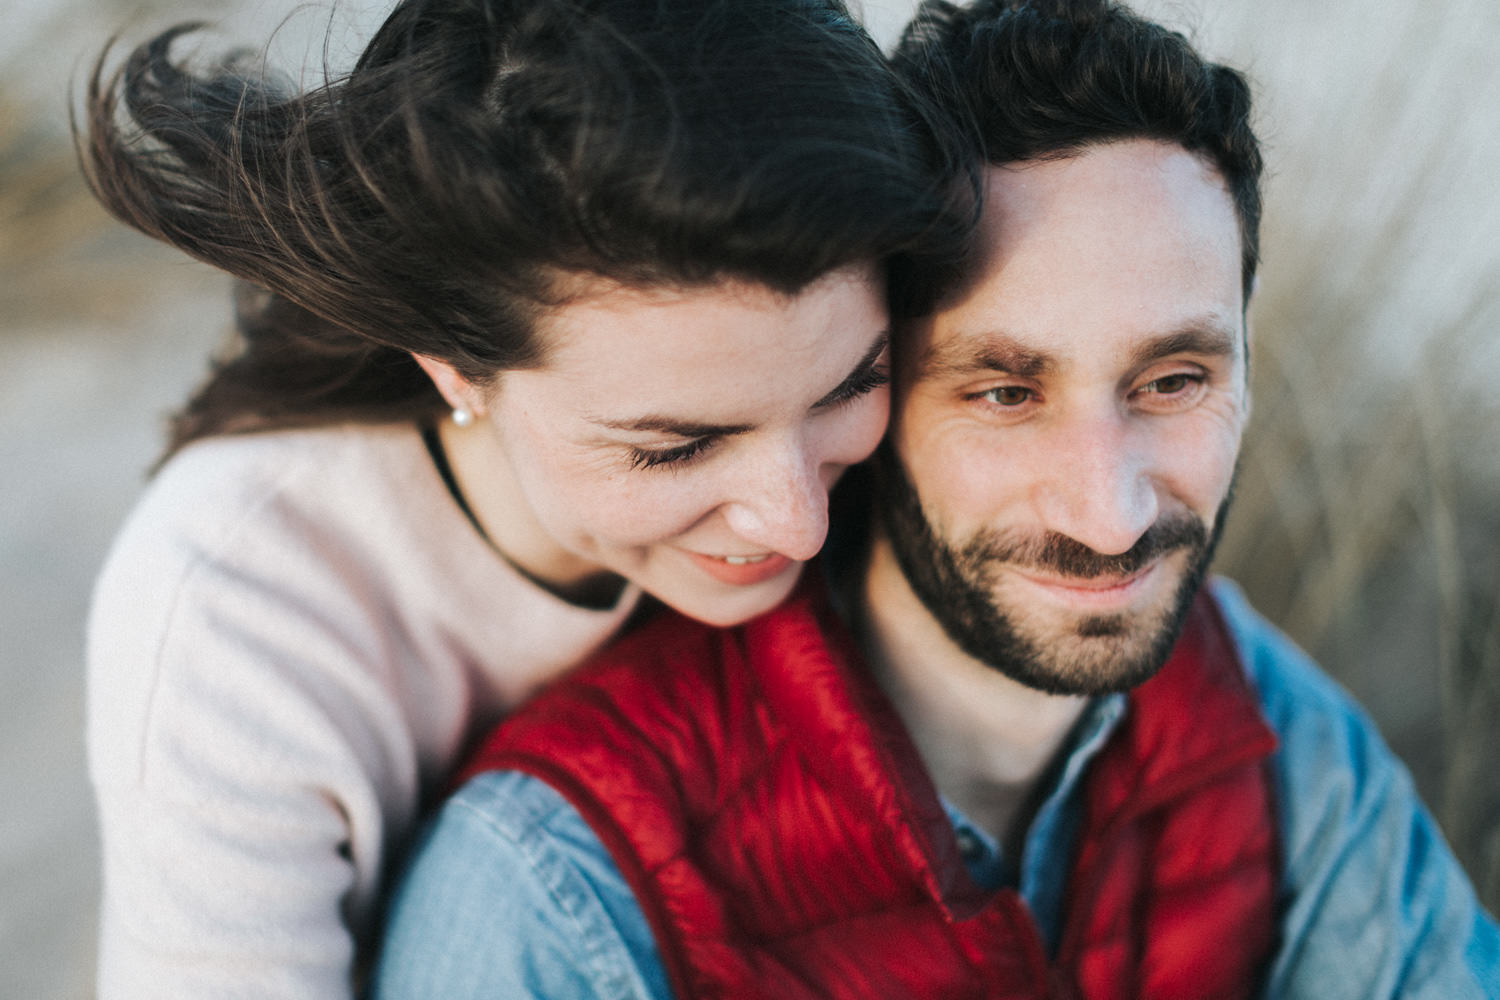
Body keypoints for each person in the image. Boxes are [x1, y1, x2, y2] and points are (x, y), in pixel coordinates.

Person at [371, 0, 1500, 996]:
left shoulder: (1263, 719)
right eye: (1006, 391)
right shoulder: (560, 888)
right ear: (866, 381)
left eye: (1174, 381)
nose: (1111, 515)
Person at [77, 0, 969, 994]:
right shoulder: (234, 612)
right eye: (677, 449)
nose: (798, 521)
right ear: (456, 368)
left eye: (850, 387)